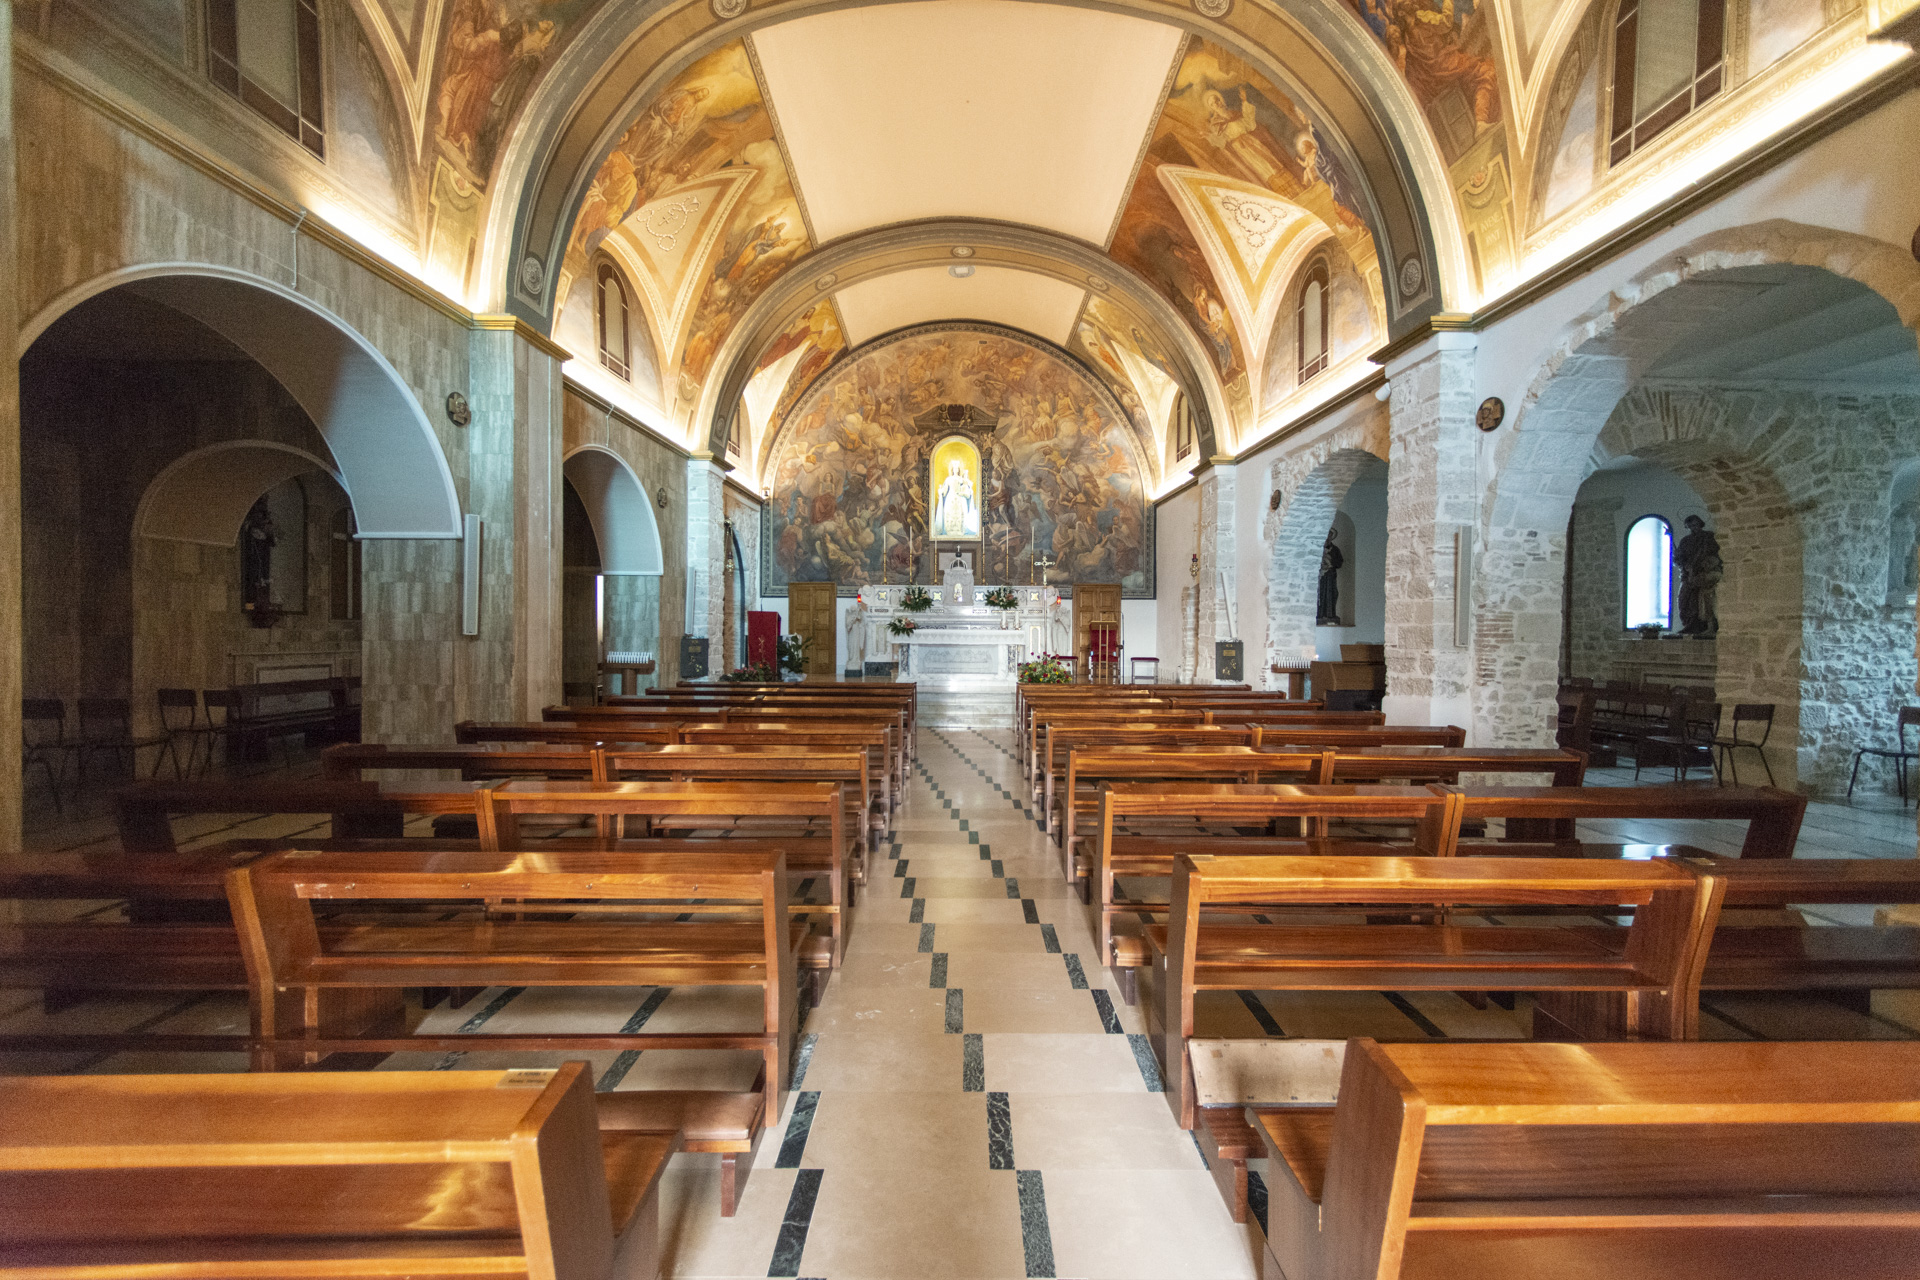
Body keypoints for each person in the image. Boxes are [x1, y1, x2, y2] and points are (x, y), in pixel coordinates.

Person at [1675, 514, 1723, 635]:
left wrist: (1702, 565)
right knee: (1684, 599)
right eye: (1690, 526)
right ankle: (1689, 624)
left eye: (1695, 525)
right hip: (1688, 574)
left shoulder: (1708, 537)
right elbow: (1679, 558)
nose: (1694, 528)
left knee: (1703, 602)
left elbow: (1714, 554)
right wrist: (1684, 565)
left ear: (1700, 524)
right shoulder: (1685, 541)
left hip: (1703, 574)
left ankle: (1706, 626)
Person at [1316, 527, 1343, 625]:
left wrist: (1331, 562)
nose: (1327, 538)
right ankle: (1320, 614)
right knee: (1321, 593)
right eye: (1326, 536)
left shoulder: (1335, 550)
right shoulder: (1318, 548)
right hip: (1321, 576)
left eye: (1329, 536)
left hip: (1331, 575)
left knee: (1332, 593)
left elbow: (1339, 562)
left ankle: (1330, 615)